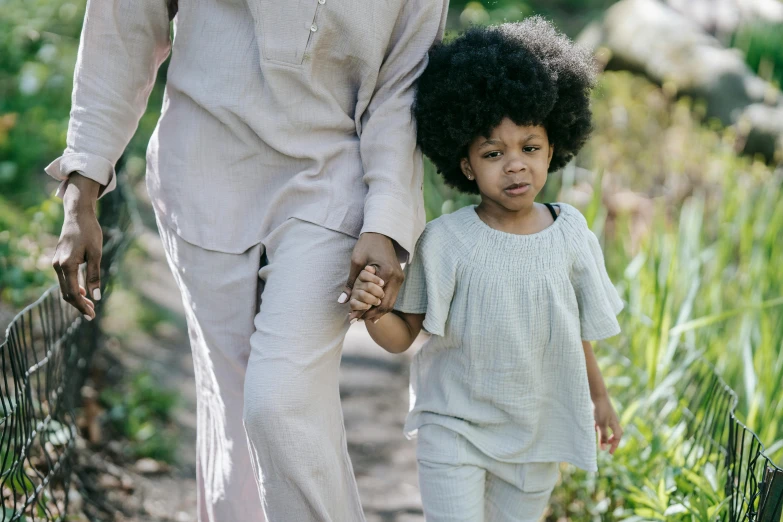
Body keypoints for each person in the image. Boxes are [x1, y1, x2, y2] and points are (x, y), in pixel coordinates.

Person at [46, 0, 449, 520]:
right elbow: (124, 26)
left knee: (281, 404)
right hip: (203, 174)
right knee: (232, 409)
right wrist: (81, 192)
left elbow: (402, 85)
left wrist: (385, 219)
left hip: (334, 179)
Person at [348, 18, 624, 522]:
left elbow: (573, 328)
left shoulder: (571, 234)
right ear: (467, 164)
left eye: (530, 147)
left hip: (537, 436)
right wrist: (374, 310)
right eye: (494, 153)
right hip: (454, 429)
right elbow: (403, 334)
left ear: (554, 145)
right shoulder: (446, 240)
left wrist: (599, 397)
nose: (515, 165)